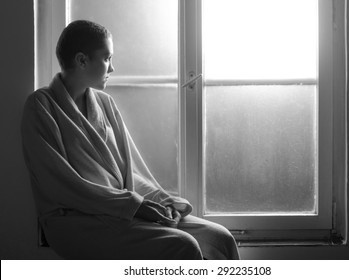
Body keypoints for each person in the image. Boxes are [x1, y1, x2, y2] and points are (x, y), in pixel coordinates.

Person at [21, 20, 239, 260]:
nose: (112, 68)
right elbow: (63, 186)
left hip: (122, 209)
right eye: (107, 58)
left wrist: (164, 203)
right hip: (75, 220)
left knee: (220, 237)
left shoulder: (106, 104)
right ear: (82, 60)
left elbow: (129, 174)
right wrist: (135, 206)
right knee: (182, 245)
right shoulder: (41, 106)